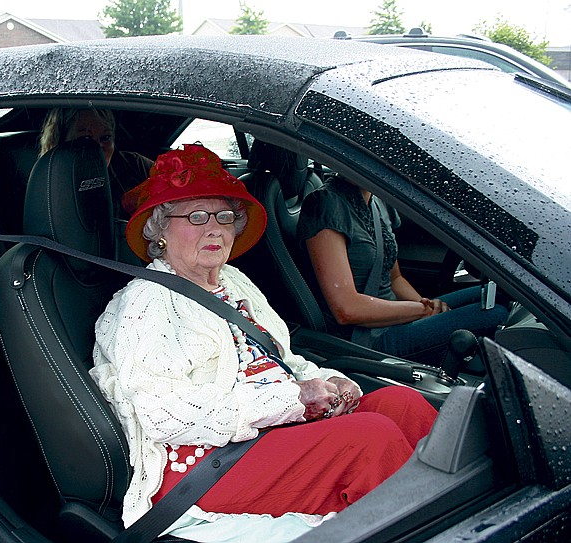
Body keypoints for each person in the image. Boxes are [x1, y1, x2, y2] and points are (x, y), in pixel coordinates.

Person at [90, 144, 438, 541]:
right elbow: (162, 416)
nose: (215, 228)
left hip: (268, 429)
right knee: (370, 440)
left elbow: (282, 359)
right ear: (160, 231)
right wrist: (290, 401)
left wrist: (329, 381)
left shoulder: (233, 281)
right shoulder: (144, 303)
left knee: (402, 403)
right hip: (204, 462)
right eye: (197, 216)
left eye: (224, 216)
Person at [297, 175, 509, 366]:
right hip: (365, 338)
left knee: (496, 295)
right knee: (494, 314)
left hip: (391, 317)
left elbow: (395, 278)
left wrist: (425, 309)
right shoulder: (326, 204)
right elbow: (346, 310)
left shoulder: (377, 200)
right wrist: (422, 311)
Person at [39, 107, 153, 216]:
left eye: (106, 138)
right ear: (61, 142)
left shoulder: (135, 167)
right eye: (86, 139)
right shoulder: (47, 186)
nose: (98, 148)